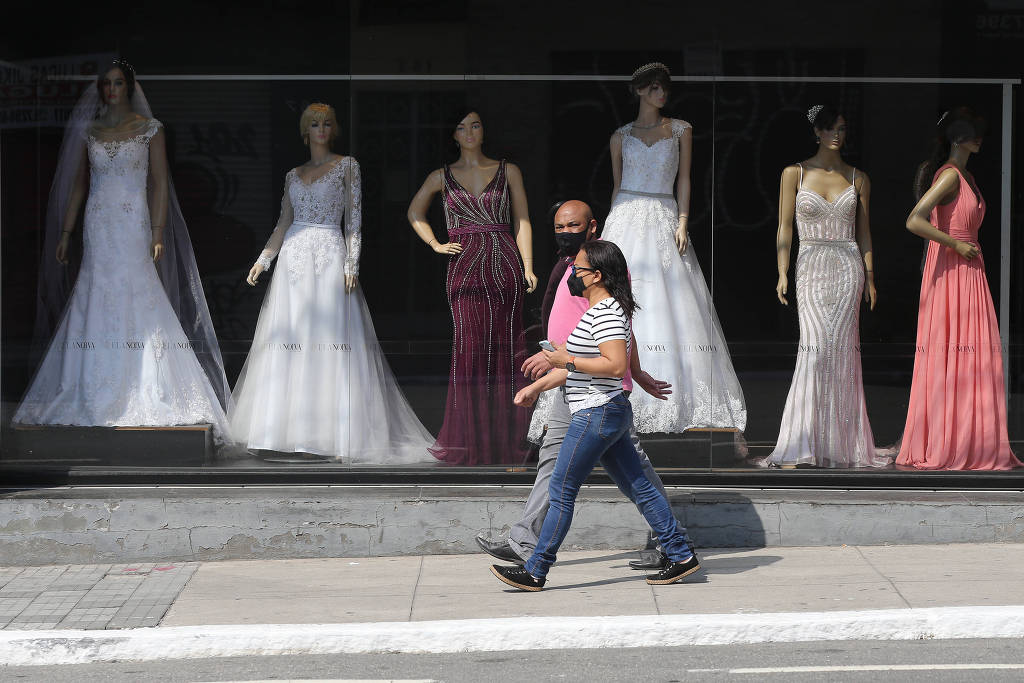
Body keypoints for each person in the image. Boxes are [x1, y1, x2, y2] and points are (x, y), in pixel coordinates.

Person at [14, 60, 231, 442]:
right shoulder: (91, 131)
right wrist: (67, 231)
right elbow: (80, 185)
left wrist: (158, 230)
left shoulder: (150, 130)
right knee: (95, 291)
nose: (111, 89)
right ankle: (88, 386)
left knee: (139, 292)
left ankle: (148, 383)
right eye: (106, 84)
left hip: (134, 224)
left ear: (129, 87)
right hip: (99, 223)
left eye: (117, 83)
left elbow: (160, 182)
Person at [475, 200, 690, 570]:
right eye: (558, 226)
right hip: (572, 384)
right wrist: (546, 377)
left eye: (571, 225)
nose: (563, 233)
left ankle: (669, 544)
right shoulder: (573, 264)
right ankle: (526, 542)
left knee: (628, 475)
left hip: (598, 393)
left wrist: (625, 371)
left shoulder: (598, 266)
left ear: (591, 226)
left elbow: (619, 331)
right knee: (555, 462)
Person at [229, 103, 434, 462]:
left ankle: (327, 433)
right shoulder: (293, 175)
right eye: (314, 124)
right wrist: (264, 259)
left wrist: (353, 261)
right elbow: (282, 222)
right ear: (305, 131)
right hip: (293, 259)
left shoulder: (347, 166)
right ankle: (282, 432)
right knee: (290, 338)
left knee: (329, 341)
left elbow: (354, 220)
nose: (321, 129)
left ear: (333, 129)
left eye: (326, 123)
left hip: (328, 256)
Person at [602, 62, 746, 435]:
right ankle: (619, 387)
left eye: (663, 88)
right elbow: (617, 187)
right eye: (653, 88)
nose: (660, 94)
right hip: (625, 215)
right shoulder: (620, 136)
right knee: (623, 295)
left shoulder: (681, 130)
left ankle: (674, 391)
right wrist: (608, 230)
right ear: (638, 91)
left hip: (664, 213)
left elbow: (685, 178)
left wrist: (683, 220)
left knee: (671, 299)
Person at [406, 109, 537, 465]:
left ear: (484, 130)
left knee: (509, 350)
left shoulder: (508, 170)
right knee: (470, 351)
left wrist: (528, 266)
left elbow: (522, 220)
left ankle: (509, 439)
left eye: (476, 124)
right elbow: (414, 212)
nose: (469, 132)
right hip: (464, 267)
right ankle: (470, 440)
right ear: (453, 133)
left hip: (504, 262)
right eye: (461, 126)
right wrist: (434, 243)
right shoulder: (440, 177)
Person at [896, 107, 1020, 470]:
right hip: (953, 269)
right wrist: (954, 244)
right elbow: (914, 220)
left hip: (968, 269)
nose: (978, 139)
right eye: (971, 133)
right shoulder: (949, 177)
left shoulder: (966, 175)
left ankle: (967, 439)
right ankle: (948, 441)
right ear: (956, 138)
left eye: (978, 133)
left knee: (974, 357)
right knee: (956, 352)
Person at [768, 105, 892, 468]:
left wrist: (870, 276)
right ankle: (804, 441)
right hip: (810, 266)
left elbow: (865, 233)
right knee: (815, 349)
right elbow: (784, 227)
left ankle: (841, 444)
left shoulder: (859, 178)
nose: (837, 135)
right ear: (817, 132)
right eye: (831, 128)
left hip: (847, 266)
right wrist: (781, 271)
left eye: (842, 128)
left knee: (842, 354)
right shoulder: (795, 172)